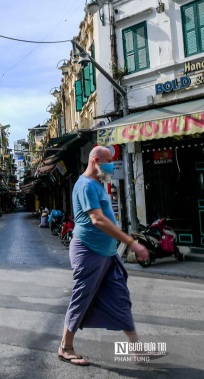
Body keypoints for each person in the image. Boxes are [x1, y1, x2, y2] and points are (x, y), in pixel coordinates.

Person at [57, 146, 150, 366]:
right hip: (89, 250)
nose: (111, 165)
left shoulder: (97, 185)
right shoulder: (86, 185)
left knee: (120, 298)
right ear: (96, 160)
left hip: (107, 254)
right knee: (82, 298)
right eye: (109, 160)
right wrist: (131, 243)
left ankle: (137, 349)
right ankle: (65, 347)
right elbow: (97, 220)